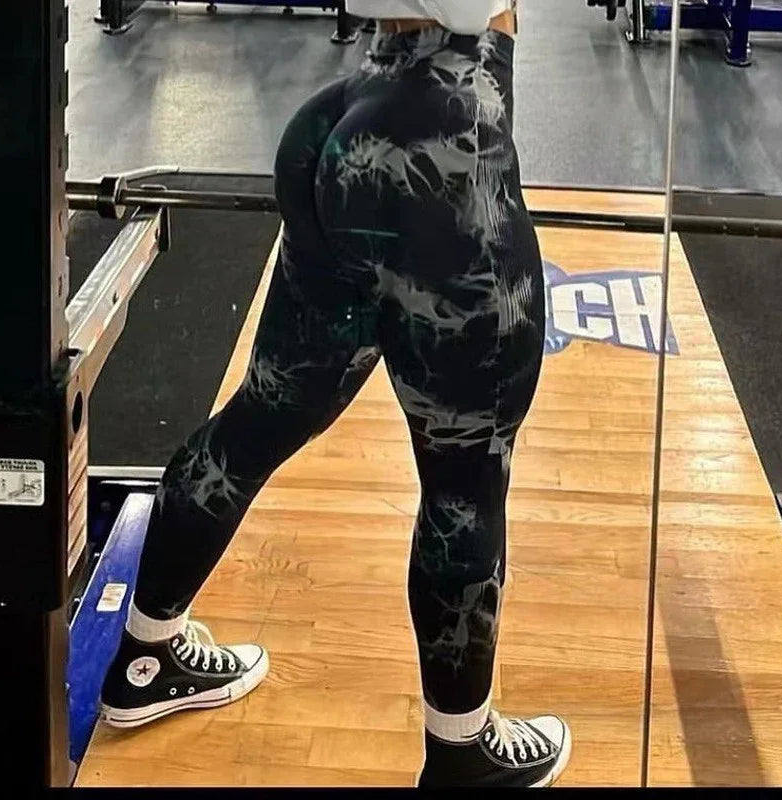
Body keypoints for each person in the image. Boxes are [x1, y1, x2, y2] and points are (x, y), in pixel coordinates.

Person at [100, 0, 571, 788]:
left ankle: (146, 657)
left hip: (350, 113)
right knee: (465, 480)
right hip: (439, 142)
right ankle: (463, 755)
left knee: (259, 415)